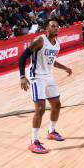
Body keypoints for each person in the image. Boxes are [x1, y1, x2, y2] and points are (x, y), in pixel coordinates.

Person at [18, 19, 73, 154]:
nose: (56, 28)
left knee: (56, 104)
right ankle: (34, 141)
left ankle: (51, 131)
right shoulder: (40, 40)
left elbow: (52, 61)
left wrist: (65, 68)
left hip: (49, 76)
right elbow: (22, 57)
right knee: (41, 108)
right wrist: (22, 76)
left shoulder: (57, 45)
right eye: (53, 26)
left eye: (57, 26)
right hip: (36, 76)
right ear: (46, 29)